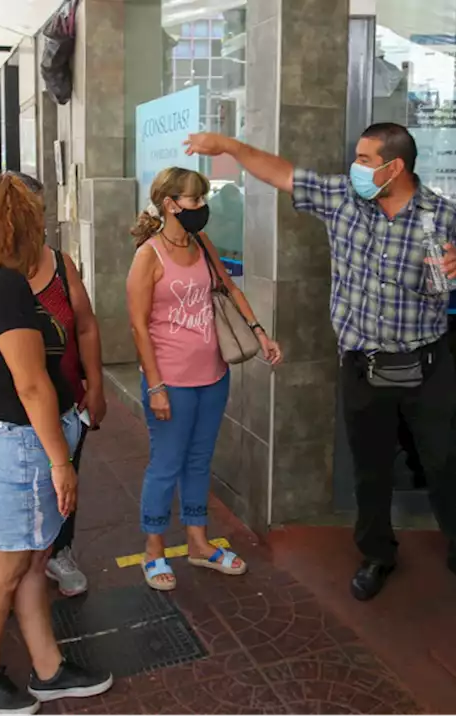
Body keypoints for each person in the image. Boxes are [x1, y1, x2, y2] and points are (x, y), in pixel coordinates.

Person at [185, 123, 456, 600]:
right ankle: (376, 554)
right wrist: (229, 146)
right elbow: (283, 174)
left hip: (426, 365)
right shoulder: (345, 198)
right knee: (370, 467)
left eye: (366, 160)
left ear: (396, 168)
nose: (356, 167)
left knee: (445, 461)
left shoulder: (442, 216)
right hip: (363, 364)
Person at [0, 173, 113, 714]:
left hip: (20, 444)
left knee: (29, 560)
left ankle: (48, 668)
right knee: (2, 572)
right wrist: (58, 461)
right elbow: (30, 383)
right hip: (17, 448)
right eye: (39, 217)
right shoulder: (0, 284)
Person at [0, 171, 106, 598]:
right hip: (3, 415)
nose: (43, 225)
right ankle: (9, 578)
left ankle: (56, 553)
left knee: (64, 484)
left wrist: (96, 382)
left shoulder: (60, 264)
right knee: (12, 511)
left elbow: (85, 325)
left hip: (64, 404)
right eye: (35, 215)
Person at [125, 167, 281, 591]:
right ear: (170, 204)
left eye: (202, 198)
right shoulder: (148, 255)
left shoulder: (201, 244)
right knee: (166, 463)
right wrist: (155, 385)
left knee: (198, 461)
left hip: (213, 374)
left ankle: (198, 541)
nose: (202, 207)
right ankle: (153, 549)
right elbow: (139, 326)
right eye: (195, 200)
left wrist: (259, 332)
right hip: (170, 380)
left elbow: (230, 289)